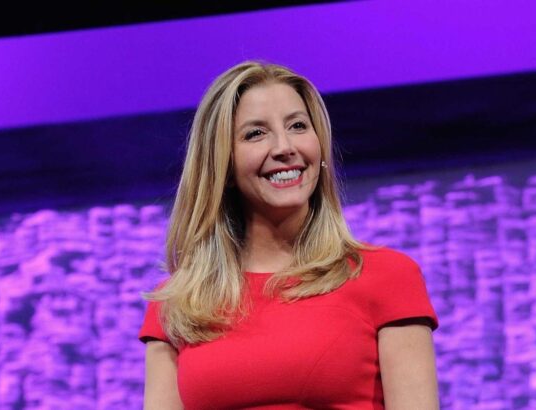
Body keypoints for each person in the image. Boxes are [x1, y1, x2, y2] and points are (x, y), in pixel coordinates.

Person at [139, 61, 439, 410]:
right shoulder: (179, 302)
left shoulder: (387, 276)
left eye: (298, 126)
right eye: (256, 133)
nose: (284, 147)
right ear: (224, 166)